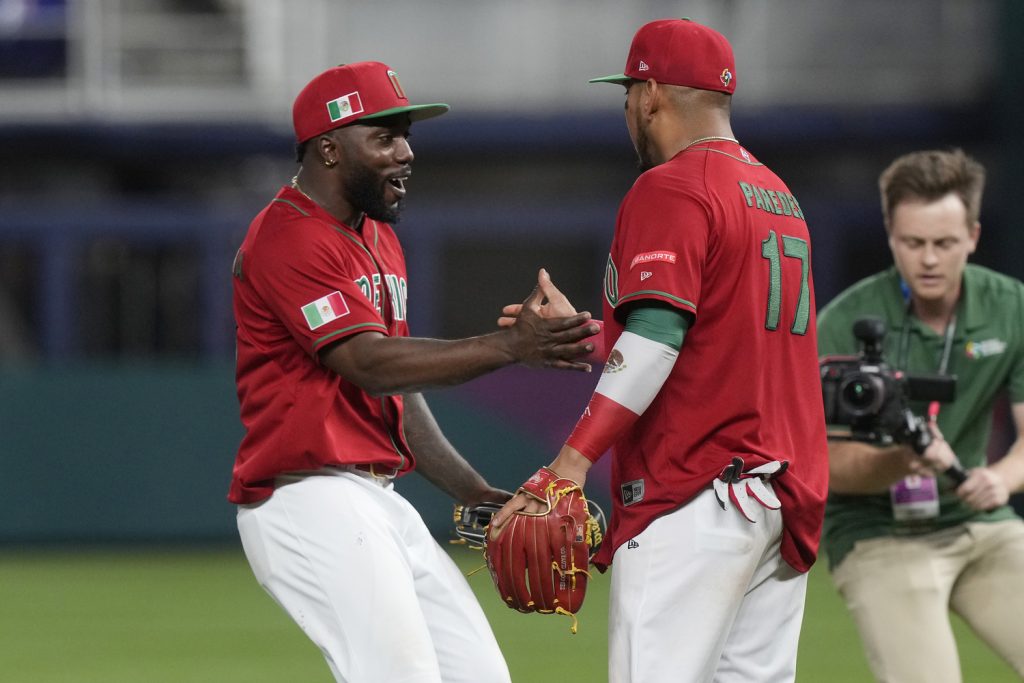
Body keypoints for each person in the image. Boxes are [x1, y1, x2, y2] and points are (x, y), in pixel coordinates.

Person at [228, 61, 599, 683]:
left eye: (406, 135)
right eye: (383, 137)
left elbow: (395, 388)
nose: (405, 152)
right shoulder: (287, 236)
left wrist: (474, 491)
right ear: (327, 150)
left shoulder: (377, 237)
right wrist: (509, 348)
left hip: (375, 497)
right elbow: (367, 363)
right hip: (307, 499)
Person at [492, 19, 829, 683]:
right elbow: (722, 344)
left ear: (649, 95)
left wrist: (568, 464)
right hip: (777, 500)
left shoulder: (671, 184)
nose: (626, 111)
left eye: (626, 96)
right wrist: (597, 338)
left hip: (695, 497)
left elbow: (657, 340)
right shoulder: (778, 196)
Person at [816, 148, 1024, 682]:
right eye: (913, 243)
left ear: (974, 236)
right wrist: (902, 461)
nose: (929, 259)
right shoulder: (841, 324)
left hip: (979, 520)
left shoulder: (1011, 307)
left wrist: (999, 480)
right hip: (878, 534)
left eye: (945, 243)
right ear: (890, 232)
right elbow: (826, 465)